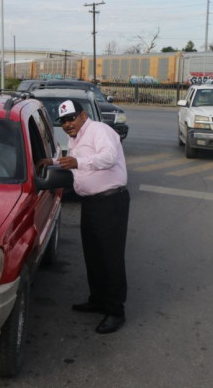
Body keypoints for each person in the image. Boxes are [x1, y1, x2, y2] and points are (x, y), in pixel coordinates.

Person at [42, 100, 129, 334]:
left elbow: (108, 157)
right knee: (93, 253)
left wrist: (78, 161)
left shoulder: (100, 130)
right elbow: (71, 161)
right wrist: (50, 162)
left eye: (71, 118)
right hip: (92, 202)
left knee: (110, 256)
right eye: (63, 122)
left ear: (82, 115)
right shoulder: (76, 138)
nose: (68, 124)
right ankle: (98, 300)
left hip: (111, 201)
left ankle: (115, 311)